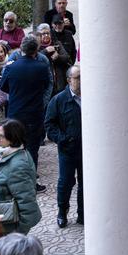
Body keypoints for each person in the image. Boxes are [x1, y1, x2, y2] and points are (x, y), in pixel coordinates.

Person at [0, 36, 51, 188]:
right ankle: (31, 183)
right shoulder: (42, 68)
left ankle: (14, 182)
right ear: (36, 50)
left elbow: (3, 87)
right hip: (34, 114)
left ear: (21, 49)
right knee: (32, 150)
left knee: (14, 148)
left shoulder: (11, 67)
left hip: (15, 112)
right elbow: (46, 85)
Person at [45, 66, 83, 228]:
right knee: (66, 182)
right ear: (69, 80)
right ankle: (62, 211)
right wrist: (63, 139)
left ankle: (83, 213)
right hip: (68, 150)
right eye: (78, 78)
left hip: (87, 150)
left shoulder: (90, 97)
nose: (81, 81)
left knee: (86, 182)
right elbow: (49, 124)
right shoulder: (59, 100)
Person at [0, 119, 41, 234]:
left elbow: (27, 201)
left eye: (1, 136)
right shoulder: (3, 154)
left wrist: (19, 233)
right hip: (3, 220)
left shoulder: (17, 165)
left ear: (13, 138)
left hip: (10, 226)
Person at [37, 23, 72, 96]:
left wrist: (58, 56)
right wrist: (45, 51)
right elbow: (35, 59)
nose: (46, 35)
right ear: (39, 36)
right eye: (43, 34)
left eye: (47, 33)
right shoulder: (37, 46)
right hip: (44, 83)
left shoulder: (57, 44)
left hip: (59, 81)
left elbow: (67, 58)